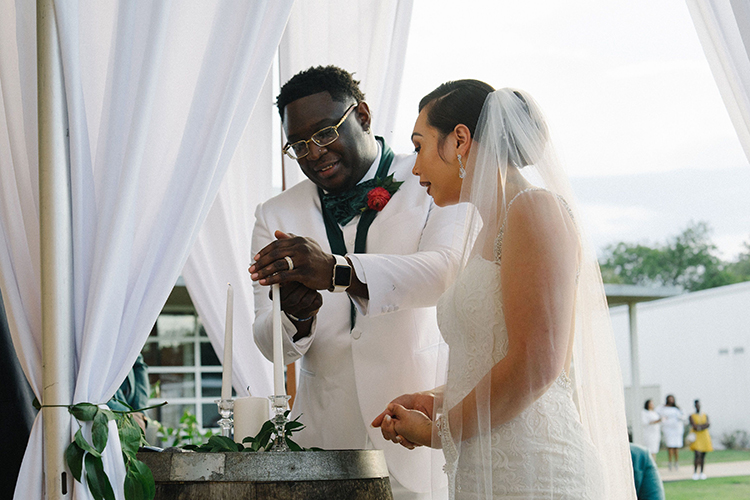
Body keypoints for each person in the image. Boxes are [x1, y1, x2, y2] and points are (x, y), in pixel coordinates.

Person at [372, 81, 635, 499]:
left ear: (459, 139)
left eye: (420, 146)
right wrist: (436, 399)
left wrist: (441, 431)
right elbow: (494, 355)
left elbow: (539, 364)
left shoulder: (534, 209)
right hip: (486, 467)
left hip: (535, 470)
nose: (415, 168)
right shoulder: (484, 231)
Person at [249, 66, 461, 499]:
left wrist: (335, 270)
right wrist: (296, 315)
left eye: (325, 133)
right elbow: (269, 340)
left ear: (362, 114)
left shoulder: (431, 180)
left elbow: (444, 273)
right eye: (299, 145)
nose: (314, 154)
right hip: (324, 438)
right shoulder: (274, 216)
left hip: (418, 429)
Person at [657, 394, 685, 471]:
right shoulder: (663, 408)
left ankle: (676, 462)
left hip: (676, 429)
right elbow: (658, 413)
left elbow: (682, 416)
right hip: (668, 429)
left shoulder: (677, 408)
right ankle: (670, 462)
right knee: (670, 446)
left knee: (676, 446)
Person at [689, 399, 713, 480]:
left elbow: (708, 424)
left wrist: (700, 427)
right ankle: (695, 472)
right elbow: (694, 426)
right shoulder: (692, 416)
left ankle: (702, 472)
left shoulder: (705, 415)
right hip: (696, 437)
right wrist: (701, 427)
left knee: (703, 455)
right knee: (697, 454)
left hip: (704, 436)